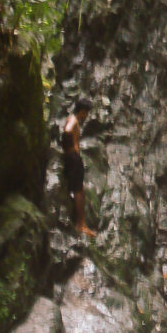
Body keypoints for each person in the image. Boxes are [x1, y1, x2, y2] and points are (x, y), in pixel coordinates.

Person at [61, 98, 96, 236]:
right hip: (74, 158)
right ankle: (80, 224)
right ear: (82, 111)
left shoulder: (72, 119)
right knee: (78, 190)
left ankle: (81, 223)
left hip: (72, 157)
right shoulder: (73, 120)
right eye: (86, 113)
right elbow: (67, 131)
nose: (86, 116)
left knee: (78, 189)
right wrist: (71, 150)